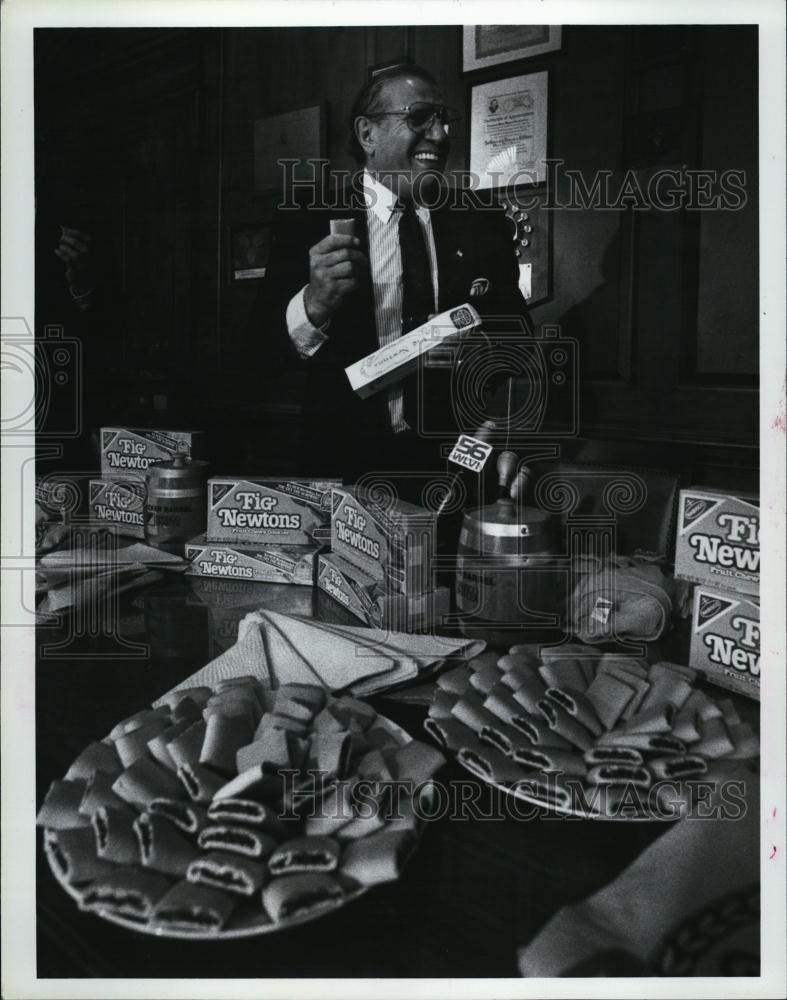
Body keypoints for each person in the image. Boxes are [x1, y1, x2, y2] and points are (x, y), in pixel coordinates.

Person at [255, 64, 533, 484]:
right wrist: (313, 305)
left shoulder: (481, 220)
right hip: (341, 465)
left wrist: (499, 411)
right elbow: (259, 353)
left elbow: (519, 338)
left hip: (453, 467)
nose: (440, 135)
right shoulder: (306, 219)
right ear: (368, 134)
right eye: (419, 117)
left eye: (443, 119)